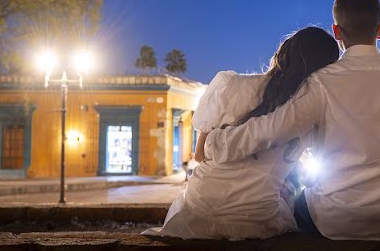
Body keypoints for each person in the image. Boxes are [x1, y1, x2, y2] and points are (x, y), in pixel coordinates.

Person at [204, 0, 380, 240]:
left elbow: (272, 130)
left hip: (336, 220)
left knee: (291, 201)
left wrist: (217, 144)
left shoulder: (321, 83)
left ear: (336, 32)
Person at [144, 27, 340, 239]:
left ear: (284, 53)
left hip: (201, 206)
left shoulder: (230, 85)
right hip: (255, 217)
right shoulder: (310, 113)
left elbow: (199, 155)